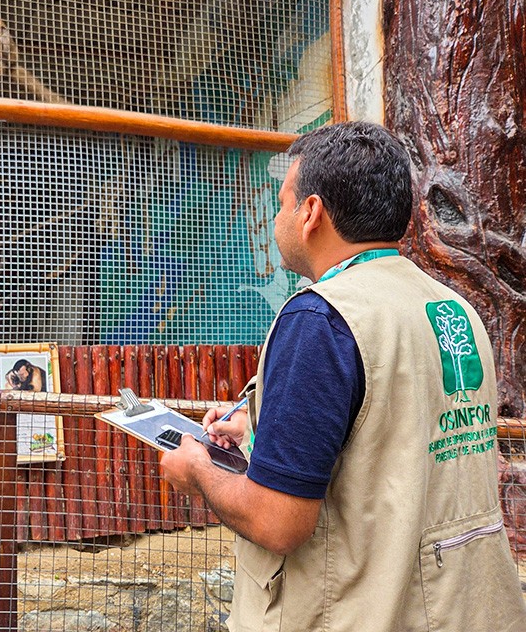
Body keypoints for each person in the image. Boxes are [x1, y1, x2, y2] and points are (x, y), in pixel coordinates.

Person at [160, 121, 526, 631]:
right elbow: (399, 433)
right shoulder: (452, 308)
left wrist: (197, 471)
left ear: (310, 213)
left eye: (282, 203)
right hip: (466, 610)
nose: (276, 219)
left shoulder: (320, 318)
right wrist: (266, 426)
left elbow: (278, 519)